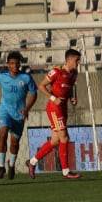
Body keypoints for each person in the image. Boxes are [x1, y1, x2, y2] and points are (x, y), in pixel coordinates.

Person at [27, 49, 82, 179]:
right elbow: (41, 86)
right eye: (77, 60)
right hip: (54, 108)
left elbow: (70, 88)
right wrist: (53, 98)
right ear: (69, 60)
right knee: (64, 138)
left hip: (63, 107)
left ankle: (32, 162)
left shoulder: (74, 73)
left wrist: (72, 98)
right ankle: (66, 171)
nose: (78, 62)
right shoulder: (56, 72)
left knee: (55, 140)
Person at [0, 51, 38, 179]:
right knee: (3, 133)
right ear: (8, 64)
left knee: (14, 143)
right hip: (4, 110)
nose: (14, 65)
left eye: (17, 63)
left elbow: (34, 93)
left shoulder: (26, 78)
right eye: (12, 63)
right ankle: (1, 166)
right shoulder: (1, 76)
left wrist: (27, 109)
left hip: (19, 113)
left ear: (20, 64)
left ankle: (11, 165)